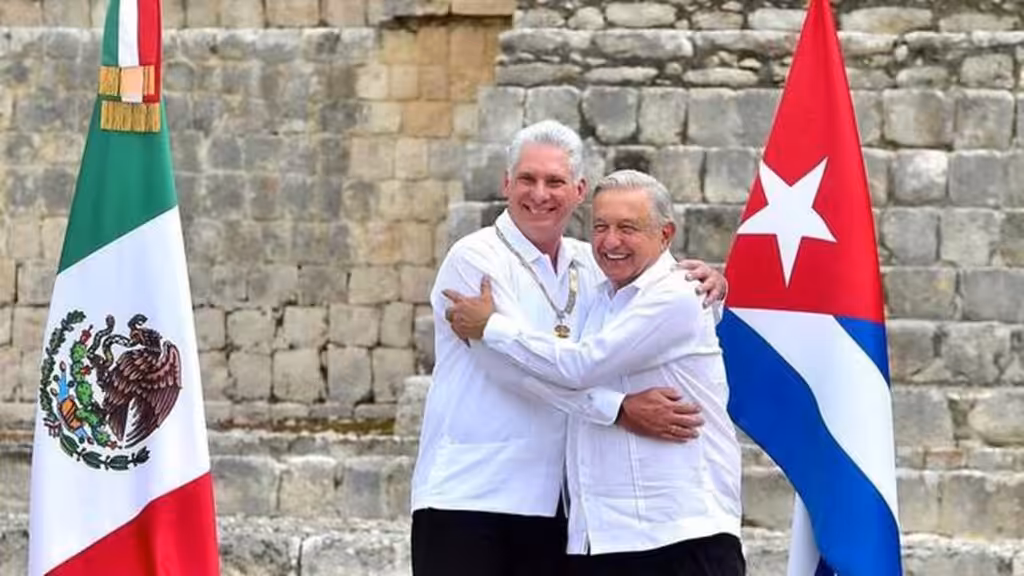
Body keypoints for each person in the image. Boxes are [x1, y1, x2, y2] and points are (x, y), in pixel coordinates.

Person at [410, 120, 728, 576]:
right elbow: (514, 374)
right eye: (527, 179)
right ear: (506, 184)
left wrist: (712, 287)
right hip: (470, 494)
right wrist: (618, 409)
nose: (540, 194)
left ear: (578, 190)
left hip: (557, 502)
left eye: (555, 181)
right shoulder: (474, 258)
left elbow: (652, 300)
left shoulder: (593, 260)